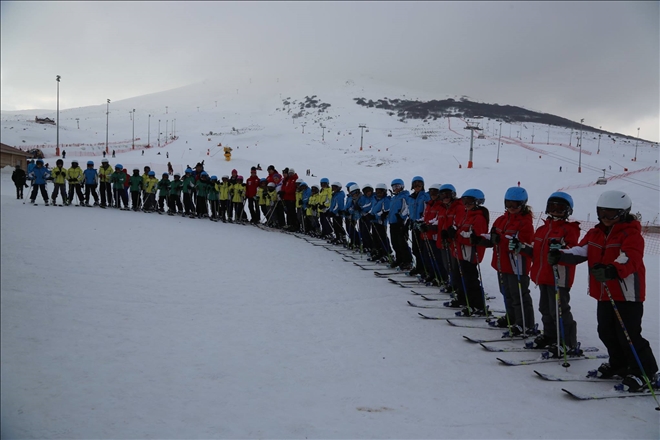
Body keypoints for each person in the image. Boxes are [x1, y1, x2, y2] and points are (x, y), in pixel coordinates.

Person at [551, 190, 658, 391]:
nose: (605, 218)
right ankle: (619, 364)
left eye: (611, 214)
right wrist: (561, 255)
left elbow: (630, 258)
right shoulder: (596, 233)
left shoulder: (631, 234)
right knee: (606, 331)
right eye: (602, 213)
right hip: (603, 292)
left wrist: (612, 269)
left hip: (628, 294)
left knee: (629, 335)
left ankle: (645, 372)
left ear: (623, 213)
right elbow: (582, 250)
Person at [520, 192, 581, 354]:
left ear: (568, 211)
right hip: (543, 275)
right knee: (545, 308)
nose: (555, 211)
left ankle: (568, 342)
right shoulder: (542, 229)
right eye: (552, 207)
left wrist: (561, 251)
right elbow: (536, 251)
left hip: (559, 276)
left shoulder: (570, 229)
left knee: (559, 310)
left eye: (560, 208)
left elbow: (574, 250)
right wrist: (522, 248)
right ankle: (550, 336)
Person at [477, 187, 536, 335]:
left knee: (519, 294)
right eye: (508, 204)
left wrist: (502, 240)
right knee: (506, 292)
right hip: (501, 263)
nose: (511, 208)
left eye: (515, 205)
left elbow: (525, 244)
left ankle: (525, 324)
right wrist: (481, 239)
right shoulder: (501, 220)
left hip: (517, 265)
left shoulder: (525, 223)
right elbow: (493, 237)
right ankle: (512, 318)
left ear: (522, 205)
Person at [444, 188, 489, 316]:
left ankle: (478, 306)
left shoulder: (479, 218)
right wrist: (452, 232)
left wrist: (456, 235)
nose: (466, 204)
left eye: (470, 201)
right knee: (460, 277)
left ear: (478, 202)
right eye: (464, 201)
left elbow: (474, 239)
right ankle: (463, 299)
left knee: (471, 280)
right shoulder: (465, 215)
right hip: (460, 252)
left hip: (470, 254)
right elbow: (458, 228)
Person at [417, 183, 447, 286]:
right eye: (431, 193)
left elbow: (438, 220)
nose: (433, 195)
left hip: (434, 236)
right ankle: (432, 274)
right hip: (426, 235)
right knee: (427, 256)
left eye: (435, 193)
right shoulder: (429, 204)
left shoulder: (441, 205)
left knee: (436, 257)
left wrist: (428, 226)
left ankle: (440, 276)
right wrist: (420, 222)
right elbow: (426, 217)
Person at [387, 178, 413, 270]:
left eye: (398, 186)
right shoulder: (394, 198)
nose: (396, 189)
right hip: (393, 222)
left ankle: (407, 261)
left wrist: (401, 217)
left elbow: (407, 208)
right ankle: (399, 259)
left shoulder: (405, 196)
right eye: (394, 187)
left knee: (402, 242)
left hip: (400, 223)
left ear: (402, 187)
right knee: (394, 242)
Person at [408, 176, 430, 276]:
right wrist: (409, 220)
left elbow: (427, 210)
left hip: (422, 226)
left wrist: (423, 220)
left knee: (423, 249)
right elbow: (410, 211)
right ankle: (419, 267)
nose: (417, 187)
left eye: (419, 185)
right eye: (415, 185)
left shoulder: (425, 196)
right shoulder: (411, 198)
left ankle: (424, 269)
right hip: (414, 225)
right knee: (415, 248)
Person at [369, 183, 392, 262]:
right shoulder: (375, 199)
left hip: (381, 222)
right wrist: (370, 215)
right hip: (375, 222)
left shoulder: (386, 200)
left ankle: (387, 253)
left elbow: (384, 211)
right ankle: (379, 252)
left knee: (382, 237)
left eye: (381, 191)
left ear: (384, 192)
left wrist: (375, 216)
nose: (379, 193)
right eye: (377, 191)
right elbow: (373, 209)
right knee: (375, 238)